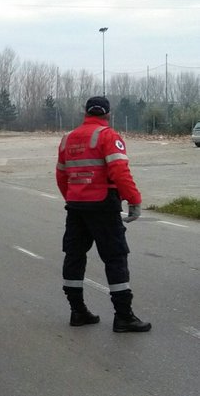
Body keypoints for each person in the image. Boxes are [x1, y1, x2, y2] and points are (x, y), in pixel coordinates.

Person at [56, 95, 151, 333]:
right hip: (103, 205)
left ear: (85, 112)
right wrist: (134, 200)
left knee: (74, 256)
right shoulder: (108, 136)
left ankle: (77, 311)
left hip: (76, 206)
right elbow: (120, 171)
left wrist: (72, 196)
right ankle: (123, 316)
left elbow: (61, 175)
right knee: (115, 257)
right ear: (108, 114)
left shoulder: (68, 139)